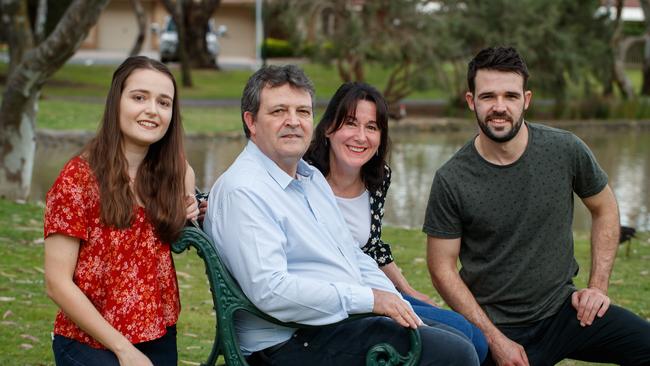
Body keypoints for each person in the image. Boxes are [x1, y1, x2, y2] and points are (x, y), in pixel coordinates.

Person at [203, 64, 479, 365]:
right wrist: (370, 300)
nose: (293, 122)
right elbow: (271, 291)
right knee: (455, 353)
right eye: (279, 111)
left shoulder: (308, 178)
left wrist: (393, 299)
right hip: (287, 342)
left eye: (303, 112)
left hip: (333, 323)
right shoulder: (245, 190)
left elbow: (351, 253)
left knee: (461, 337)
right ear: (251, 121)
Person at [424, 46, 650, 365]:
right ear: (471, 101)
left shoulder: (565, 149)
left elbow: (605, 208)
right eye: (488, 96)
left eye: (510, 96)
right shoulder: (452, 178)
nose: (499, 107)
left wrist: (597, 288)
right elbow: (441, 269)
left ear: (526, 100)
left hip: (565, 313)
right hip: (496, 326)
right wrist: (494, 339)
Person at [303, 81, 488, 363]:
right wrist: (209, 206)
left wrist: (408, 291)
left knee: (472, 334)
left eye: (372, 127)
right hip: (342, 297)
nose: (361, 137)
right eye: (351, 124)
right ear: (329, 128)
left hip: (374, 284)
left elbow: (373, 247)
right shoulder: (303, 176)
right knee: (457, 342)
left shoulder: (377, 177)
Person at [44, 56, 199, 366]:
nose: (152, 110)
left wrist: (194, 208)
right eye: (139, 97)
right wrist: (124, 350)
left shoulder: (175, 173)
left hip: (158, 334)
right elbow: (56, 282)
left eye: (164, 102)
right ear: (116, 101)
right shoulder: (78, 178)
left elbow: (180, 221)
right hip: (91, 339)